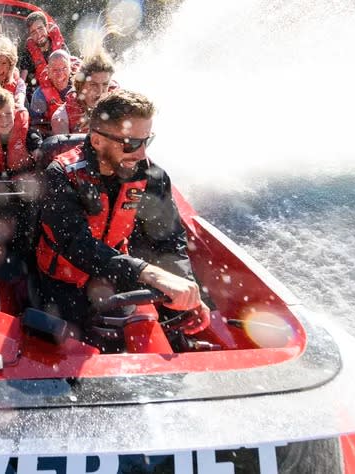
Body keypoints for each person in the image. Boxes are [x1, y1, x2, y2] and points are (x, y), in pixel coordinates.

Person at [36, 90, 211, 339]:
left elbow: (169, 239)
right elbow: (76, 244)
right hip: (64, 282)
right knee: (71, 347)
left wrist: (185, 287)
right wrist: (149, 273)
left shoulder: (152, 176)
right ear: (97, 141)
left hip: (118, 274)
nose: (141, 154)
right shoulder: (61, 174)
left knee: (159, 337)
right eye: (131, 144)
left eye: (146, 141)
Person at [51, 50, 119, 135]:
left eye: (105, 84)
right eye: (93, 84)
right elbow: (65, 148)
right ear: (80, 86)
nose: (100, 91)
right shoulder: (61, 118)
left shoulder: (120, 108)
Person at [28, 49, 73, 134]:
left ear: (70, 69)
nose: (60, 74)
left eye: (64, 68)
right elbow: (34, 126)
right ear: (48, 72)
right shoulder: (39, 95)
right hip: (54, 139)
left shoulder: (80, 88)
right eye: (55, 70)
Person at [19, 12, 68, 89]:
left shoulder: (60, 45)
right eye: (33, 32)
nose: (38, 34)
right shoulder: (27, 53)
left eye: (40, 28)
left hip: (62, 87)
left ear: (47, 27)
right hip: (41, 92)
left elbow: (70, 67)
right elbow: (22, 80)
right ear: (30, 35)